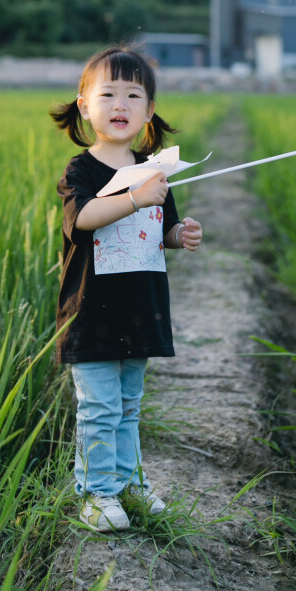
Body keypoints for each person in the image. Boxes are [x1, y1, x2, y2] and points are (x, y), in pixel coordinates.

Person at [52, 44, 203, 532]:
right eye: (108, 93)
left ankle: (129, 481)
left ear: (149, 111)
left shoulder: (154, 170)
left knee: (128, 405)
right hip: (92, 311)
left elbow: (162, 229)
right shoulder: (82, 172)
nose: (120, 105)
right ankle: (96, 494)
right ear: (84, 104)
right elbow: (83, 219)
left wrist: (181, 235)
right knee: (99, 406)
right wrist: (134, 197)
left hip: (140, 309)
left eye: (133, 95)